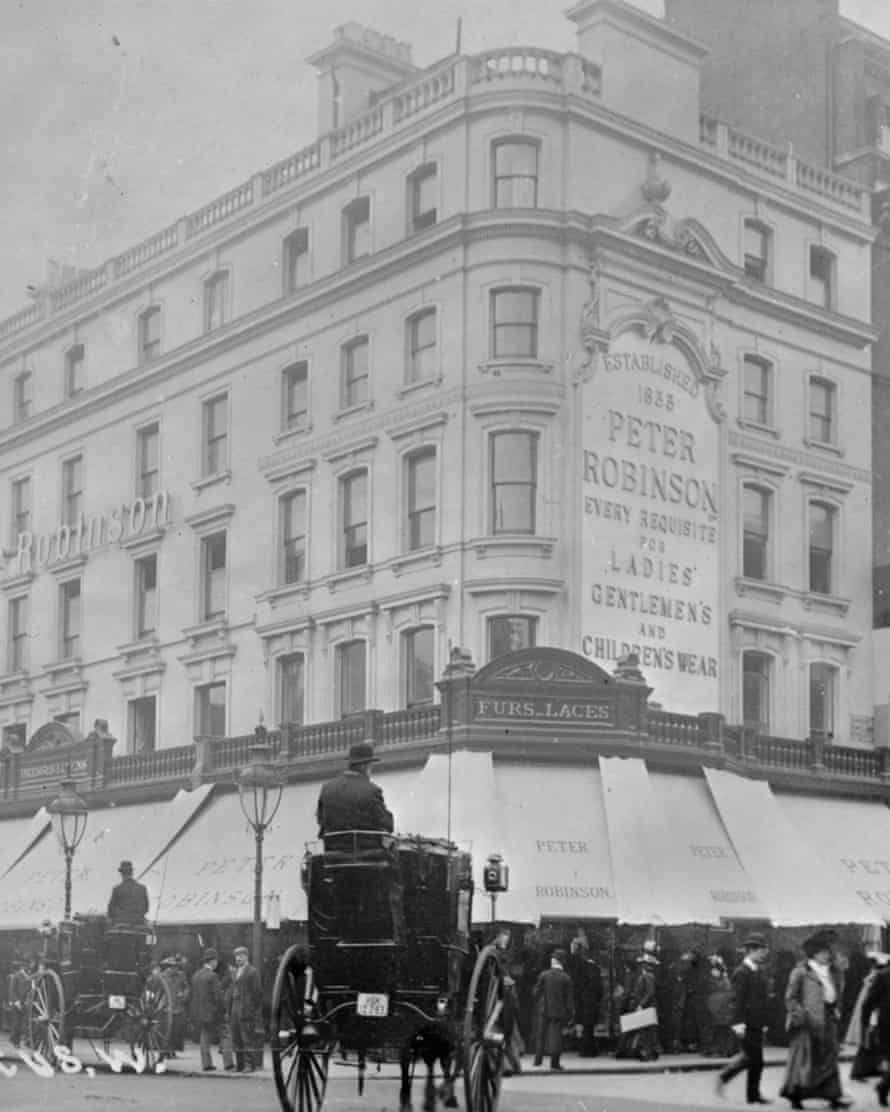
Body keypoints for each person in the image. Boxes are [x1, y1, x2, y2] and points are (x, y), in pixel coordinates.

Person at [779, 929, 852, 1111]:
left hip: (828, 1018)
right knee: (804, 1061)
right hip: (807, 1021)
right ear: (814, 954)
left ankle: (833, 1096)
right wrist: (800, 1014)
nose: (826, 955)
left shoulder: (833, 972)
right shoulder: (801, 972)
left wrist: (836, 1009)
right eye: (822, 952)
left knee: (829, 1057)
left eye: (828, 952)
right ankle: (795, 1095)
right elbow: (790, 998)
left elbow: (836, 993)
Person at [716, 932, 771, 1105]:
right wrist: (738, 1023)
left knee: (756, 1060)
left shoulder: (759, 971)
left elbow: (762, 1000)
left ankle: (753, 1095)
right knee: (751, 1058)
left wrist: (763, 1023)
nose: (764, 954)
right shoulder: (742, 972)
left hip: (756, 1022)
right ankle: (725, 1077)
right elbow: (737, 1000)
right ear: (752, 950)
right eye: (762, 950)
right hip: (745, 1023)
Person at [316, 742, 394, 848]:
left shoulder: (327, 788)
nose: (371, 772)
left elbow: (321, 820)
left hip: (333, 854)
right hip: (368, 853)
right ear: (363, 766)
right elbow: (387, 824)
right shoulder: (372, 790)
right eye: (371, 767)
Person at [532, 948, 574, 1070]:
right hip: (559, 1011)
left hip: (544, 1009)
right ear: (562, 962)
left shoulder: (544, 975)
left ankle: (537, 1060)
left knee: (541, 1035)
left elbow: (535, 992)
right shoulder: (566, 978)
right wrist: (570, 1013)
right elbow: (569, 1000)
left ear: (554, 961)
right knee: (556, 1037)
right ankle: (554, 1063)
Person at [858, 950, 890, 1105]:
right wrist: (865, 1022)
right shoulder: (884, 976)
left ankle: (884, 1085)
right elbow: (870, 1001)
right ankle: (884, 1086)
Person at [618, 949, 659, 1062]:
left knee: (645, 1032)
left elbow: (650, 992)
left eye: (643, 963)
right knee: (646, 1031)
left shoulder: (648, 976)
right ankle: (651, 1053)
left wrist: (641, 1004)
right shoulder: (647, 975)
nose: (641, 965)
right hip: (646, 1006)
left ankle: (648, 1054)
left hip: (646, 1007)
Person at [567, 931, 603, 1057]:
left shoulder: (581, 967)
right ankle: (590, 1049)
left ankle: (587, 1050)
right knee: (589, 1027)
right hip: (591, 1002)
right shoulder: (593, 969)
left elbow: (577, 984)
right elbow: (599, 988)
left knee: (587, 1027)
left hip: (584, 1001)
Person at [190, 949, 225, 1072]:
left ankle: (206, 1064)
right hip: (212, 1013)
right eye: (216, 961)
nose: (217, 963)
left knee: (204, 1036)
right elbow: (218, 997)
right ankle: (229, 1064)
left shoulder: (196, 975)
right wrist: (223, 1010)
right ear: (212, 961)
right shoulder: (213, 976)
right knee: (225, 1034)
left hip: (198, 1013)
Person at [230, 945, 263, 1072]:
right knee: (236, 1036)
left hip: (246, 1007)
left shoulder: (252, 971)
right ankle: (239, 1064)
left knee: (247, 1037)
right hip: (235, 1006)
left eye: (240, 956)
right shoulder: (236, 972)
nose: (238, 958)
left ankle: (249, 1065)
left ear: (246, 956)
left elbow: (258, 993)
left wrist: (251, 1007)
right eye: (236, 956)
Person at [107, 860, 149, 925]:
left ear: (121, 874)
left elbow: (110, 911)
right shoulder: (142, 888)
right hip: (139, 922)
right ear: (132, 873)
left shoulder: (117, 889)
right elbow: (146, 908)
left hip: (121, 923)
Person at [8, 956, 30, 1048]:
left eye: (27, 965)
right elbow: (12, 990)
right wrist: (16, 1002)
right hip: (17, 1003)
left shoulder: (29, 976)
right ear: (21, 967)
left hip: (25, 1002)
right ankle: (15, 1041)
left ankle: (23, 1040)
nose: (26, 967)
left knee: (25, 1023)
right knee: (16, 1023)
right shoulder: (16, 976)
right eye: (25, 965)